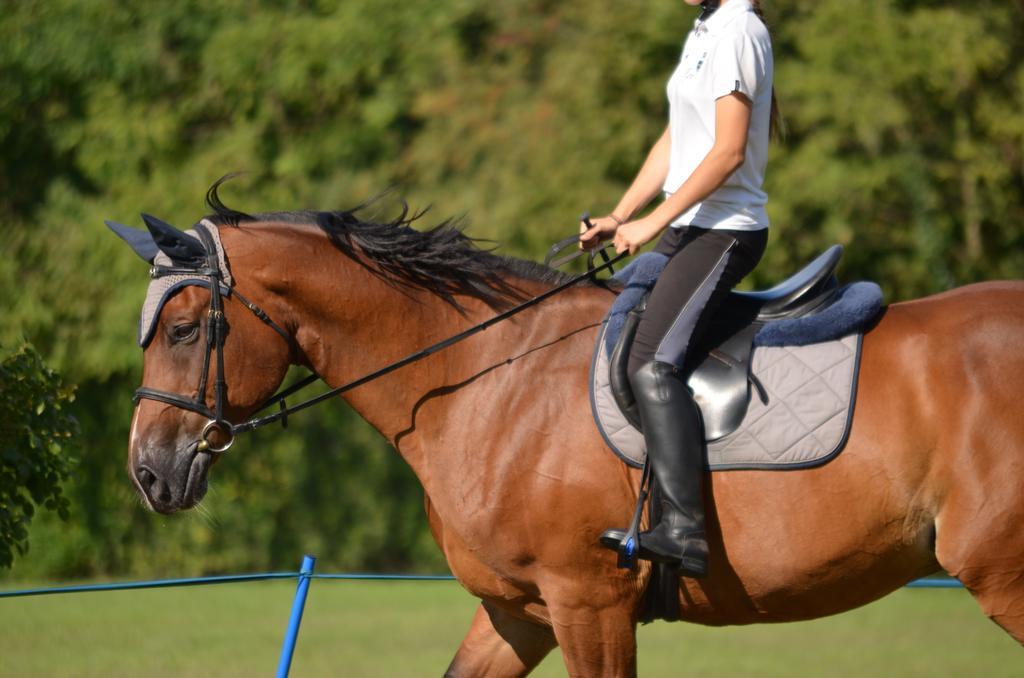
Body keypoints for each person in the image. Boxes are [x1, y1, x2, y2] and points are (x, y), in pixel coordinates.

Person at [581, 0, 778, 578]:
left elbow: (727, 151)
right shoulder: (706, 29)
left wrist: (652, 223)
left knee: (650, 363)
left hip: (724, 233)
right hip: (689, 228)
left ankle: (685, 531)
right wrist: (620, 216)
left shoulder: (740, 28)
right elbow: (678, 137)